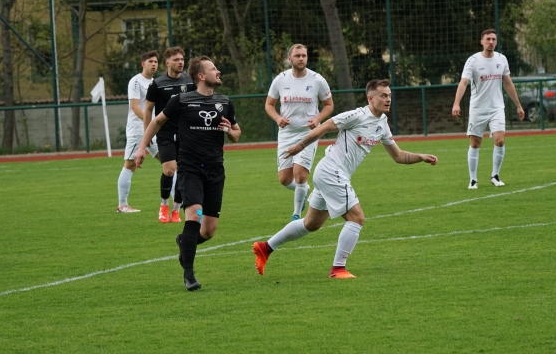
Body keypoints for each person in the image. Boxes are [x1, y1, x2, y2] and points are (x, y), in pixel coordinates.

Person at [253, 79, 438, 279]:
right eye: (383, 95)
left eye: (390, 95)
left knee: (311, 224)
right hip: (332, 171)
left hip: (331, 173)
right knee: (357, 218)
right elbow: (324, 127)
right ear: (370, 98)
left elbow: (398, 156)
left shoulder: (382, 124)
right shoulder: (357, 115)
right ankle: (338, 269)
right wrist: (300, 146)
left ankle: (265, 248)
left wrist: (420, 157)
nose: (388, 99)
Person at [135, 55, 241, 291]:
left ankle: (184, 242)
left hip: (216, 170)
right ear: (201, 76)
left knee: (209, 230)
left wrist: (229, 131)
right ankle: (189, 275)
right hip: (190, 168)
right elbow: (156, 122)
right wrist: (142, 147)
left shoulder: (224, 102)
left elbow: (236, 131)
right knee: (193, 217)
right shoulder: (181, 100)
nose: (219, 72)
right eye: (214, 69)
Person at [265, 44, 334, 221]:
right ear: (290, 59)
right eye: (297, 56)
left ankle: (296, 214)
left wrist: (318, 119)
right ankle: (304, 191)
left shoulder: (317, 80)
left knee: (300, 174)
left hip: (308, 134)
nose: (301, 58)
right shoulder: (280, 79)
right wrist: (277, 118)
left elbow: (329, 105)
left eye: (304, 55)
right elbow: (269, 105)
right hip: (287, 134)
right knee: (285, 179)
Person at [452, 29, 525, 189]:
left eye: (493, 39)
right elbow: (463, 83)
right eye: (488, 39)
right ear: (482, 42)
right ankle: (473, 180)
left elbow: (508, 83)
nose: (491, 42)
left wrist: (518, 105)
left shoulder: (502, 59)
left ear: (496, 42)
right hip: (478, 109)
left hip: (497, 108)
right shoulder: (473, 61)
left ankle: (495, 175)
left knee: (500, 140)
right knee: (475, 143)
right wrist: (456, 103)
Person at [145, 46, 195, 223]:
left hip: (185, 133)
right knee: (169, 170)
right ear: (167, 63)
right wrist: (147, 133)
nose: (180, 62)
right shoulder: (157, 84)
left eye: (182, 59)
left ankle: (176, 210)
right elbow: (148, 109)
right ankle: (164, 205)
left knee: (183, 171)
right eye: (176, 60)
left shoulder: (190, 82)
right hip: (165, 132)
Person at [117, 50, 160, 213]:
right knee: (129, 165)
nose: (154, 64)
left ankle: (179, 202)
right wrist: (150, 123)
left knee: (169, 162)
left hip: (153, 129)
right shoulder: (135, 81)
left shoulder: (156, 83)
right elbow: (135, 107)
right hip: (137, 129)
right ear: (143, 64)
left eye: (156, 62)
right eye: (151, 61)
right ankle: (122, 205)